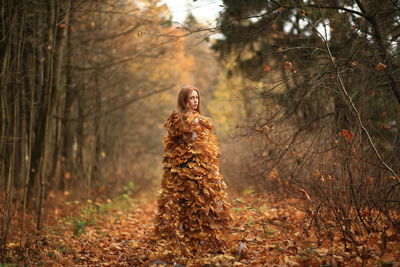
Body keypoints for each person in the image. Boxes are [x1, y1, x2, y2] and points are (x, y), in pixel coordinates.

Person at [152, 85, 233, 260]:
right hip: (186, 173)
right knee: (188, 209)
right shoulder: (181, 121)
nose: (195, 101)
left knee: (205, 209)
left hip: (204, 171)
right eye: (191, 98)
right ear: (184, 100)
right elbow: (174, 149)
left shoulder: (201, 120)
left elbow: (207, 149)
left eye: (197, 98)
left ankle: (203, 246)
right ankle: (189, 248)